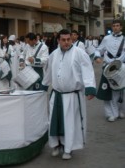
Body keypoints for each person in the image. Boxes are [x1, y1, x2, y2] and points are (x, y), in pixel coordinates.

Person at [42, 29, 96, 160]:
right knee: (54, 122)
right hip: (56, 95)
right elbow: (49, 72)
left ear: (71, 39)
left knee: (70, 123)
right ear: (59, 41)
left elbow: (87, 70)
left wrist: (90, 88)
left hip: (72, 96)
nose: (66, 42)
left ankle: (68, 148)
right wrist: (44, 85)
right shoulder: (53, 54)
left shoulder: (79, 53)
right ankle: (56, 145)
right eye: (63, 40)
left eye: (68, 39)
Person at [94, 19, 125, 122]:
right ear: (112, 27)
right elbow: (98, 49)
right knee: (107, 91)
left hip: (121, 68)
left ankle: (121, 111)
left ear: (121, 27)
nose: (115, 27)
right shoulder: (106, 38)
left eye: (117, 25)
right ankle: (110, 114)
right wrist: (97, 57)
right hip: (107, 67)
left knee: (121, 91)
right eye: (114, 26)